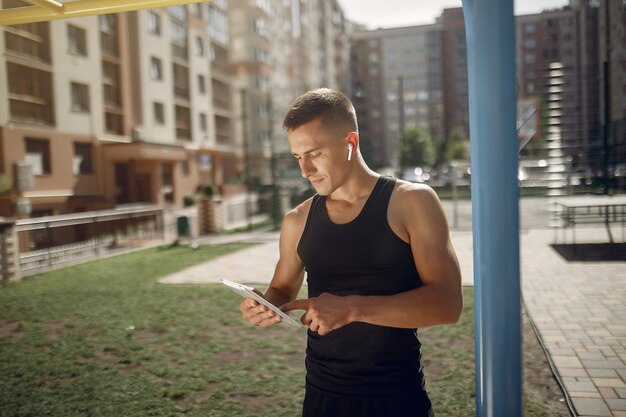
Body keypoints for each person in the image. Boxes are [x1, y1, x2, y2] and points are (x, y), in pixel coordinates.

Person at [239, 88, 462, 417]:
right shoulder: (297, 220)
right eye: (297, 157)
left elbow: (448, 305)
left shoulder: (412, 202)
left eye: (314, 153)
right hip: (321, 398)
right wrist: (265, 305)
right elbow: (283, 289)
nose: (305, 170)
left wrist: (352, 308)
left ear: (350, 143)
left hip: (396, 398)